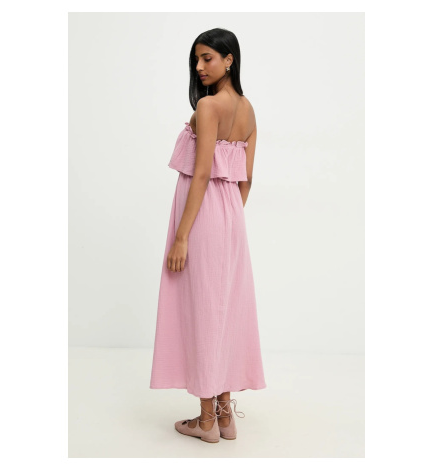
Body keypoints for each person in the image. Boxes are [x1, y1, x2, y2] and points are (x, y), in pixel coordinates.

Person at [150, 28, 266, 443]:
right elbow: (246, 179)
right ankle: (225, 415)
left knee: (202, 310)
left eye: (208, 58)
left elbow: (200, 174)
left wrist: (182, 236)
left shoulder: (209, 105)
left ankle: (204, 422)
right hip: (232, 218)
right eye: (196, 59)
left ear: (229, 59)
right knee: (224, 310)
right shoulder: (247, 109)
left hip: (200, 219)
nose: (199, 66)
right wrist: (228, 217)